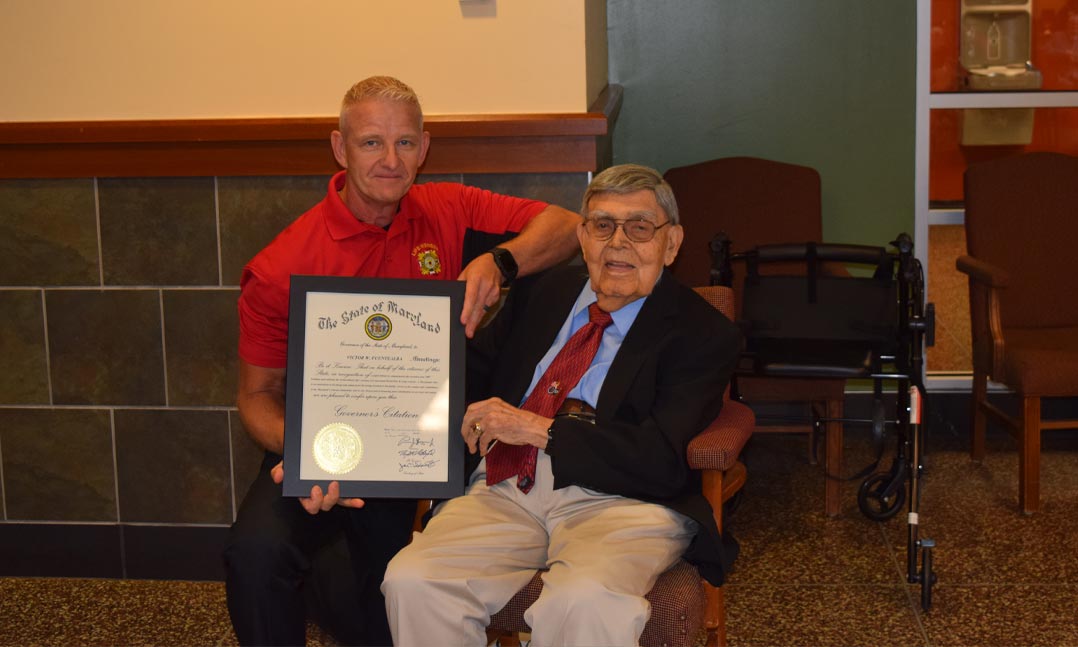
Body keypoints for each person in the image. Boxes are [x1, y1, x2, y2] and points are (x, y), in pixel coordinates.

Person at [223, 76, 581, 647]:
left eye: (405, 143)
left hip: (426, 439)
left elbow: (565, 225)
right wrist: (310, 454)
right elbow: (255, 395)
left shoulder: (449, 207)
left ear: (425, 147)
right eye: (371, 142)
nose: (391, 160)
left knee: (389, 592)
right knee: (255, 554)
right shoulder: (280, 265)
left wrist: (500, 261)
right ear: (340, 148)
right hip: (324, 441)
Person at [381, 164, 742, 646]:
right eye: (603, 225)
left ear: (671, 243)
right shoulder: (544, 292)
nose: (618, 243)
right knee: (413, 581)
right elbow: (467, 373)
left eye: (639, 228)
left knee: (584, 600)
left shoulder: (703, 333)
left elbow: (659, 457)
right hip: (505, 485)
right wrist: (371, 399)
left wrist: (539, 429)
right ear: (582, 237)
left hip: (625, 501)